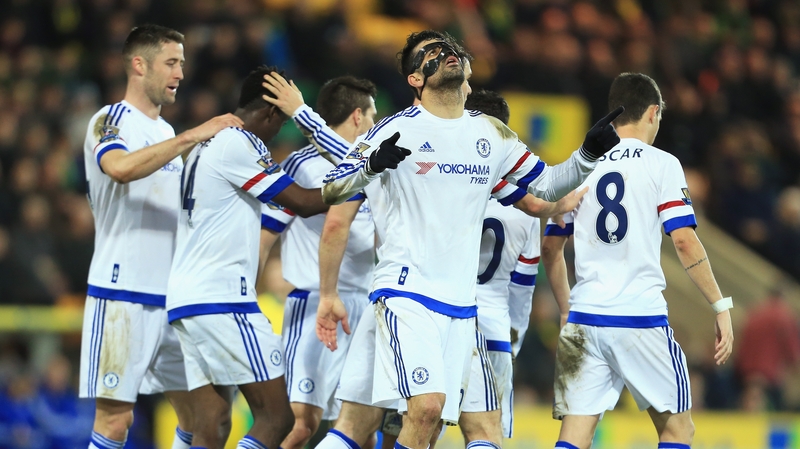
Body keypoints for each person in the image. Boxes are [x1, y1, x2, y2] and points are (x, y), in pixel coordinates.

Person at [320, 30, 622, 449]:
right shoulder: (392, 130)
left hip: (463, 307)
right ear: (415, 78)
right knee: (425, 408)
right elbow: (332, 188)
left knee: (437, 426)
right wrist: (369, 164)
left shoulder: (492, 134)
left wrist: (587, 155)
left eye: (449, 49)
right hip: (406, 293)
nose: (444, 55)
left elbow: (549, 185)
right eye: (430, 53)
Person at [540, 72, 735, 449]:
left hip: (585, 317)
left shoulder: (579, 165)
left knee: (575, 436)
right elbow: (683, 240)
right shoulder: (662, 164)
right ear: (653, 112)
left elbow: (551, 249)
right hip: (638, 317)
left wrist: (567, 307)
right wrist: (719, 304)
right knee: (678, 431)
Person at [79, 24, 243, 449]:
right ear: (139, 64)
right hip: (122, 294)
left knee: (206, 416)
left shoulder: (166, 134)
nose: (180, 74)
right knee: (116, 421)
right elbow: (118, 168)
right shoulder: (109, 120)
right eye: (171, 63)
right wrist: (192, 137)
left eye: (182, 64)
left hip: (172, 299)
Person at [165, 65, 330, 449]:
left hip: (186, 297)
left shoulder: (206, 144)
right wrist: (364, 177)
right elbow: (304, 203)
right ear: (272, 112)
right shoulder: (240, 142)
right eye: (283, 121)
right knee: (278, 417)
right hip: (222, 297)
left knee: (213, 421)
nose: (279, 133)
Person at [258, 76, 378, 449]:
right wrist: (246, 294)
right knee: (298, 425)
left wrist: (301, 113)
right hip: (313, 305)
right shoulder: (299, 165)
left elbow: (354, 161)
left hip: (366, 306)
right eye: (373, 115)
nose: (377, 123)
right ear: (357, 116)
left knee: (361, 427)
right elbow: (266, 234)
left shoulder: (373, 167)